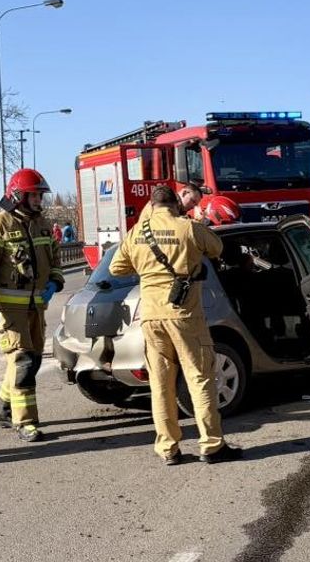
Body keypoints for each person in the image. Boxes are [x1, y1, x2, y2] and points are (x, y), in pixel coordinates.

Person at [109, 185, 241, 465]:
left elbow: (116, 268)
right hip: (184, 315)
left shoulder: (137, 232)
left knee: (160, 384)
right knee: (200, 378)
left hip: (151, 316)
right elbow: (217, 248)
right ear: (175, 204)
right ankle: (212, 445)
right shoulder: (187, 227)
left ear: (152, 205)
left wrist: (147, 270)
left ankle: (168, 449)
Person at [0, 168, 65, 443]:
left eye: (40, 195)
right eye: (34, 195)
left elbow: (55, 258)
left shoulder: (42, 224)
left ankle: (4, 408)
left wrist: (55, 282)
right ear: (18, 196)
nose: (39, 200)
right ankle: (25, 422)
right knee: (23, 361)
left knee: (32, 359)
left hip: (37, 305)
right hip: (10, 307)